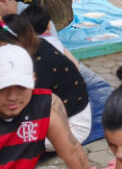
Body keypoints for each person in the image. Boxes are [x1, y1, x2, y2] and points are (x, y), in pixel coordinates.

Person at [0, 44, 101, 169]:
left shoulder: (46, 106)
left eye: (20, 86)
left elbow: (72, 151)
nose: (12, 96)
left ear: (33, 80)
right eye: (3, 87)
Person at [1, 15, 92, 149]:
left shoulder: (39, 65)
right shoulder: (35, 45)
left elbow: (18, 108)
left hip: (72, 128)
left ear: (19, 42)